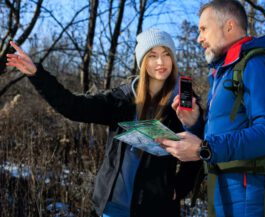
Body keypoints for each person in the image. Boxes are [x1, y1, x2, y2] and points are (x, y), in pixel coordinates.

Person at [6, 29, 204, 217]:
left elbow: (199, 152)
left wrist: (179, 187)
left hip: (154, 209)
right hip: (110, 206)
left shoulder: (184, 103)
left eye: (166, 54)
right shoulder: (123, 98)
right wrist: (37, 74)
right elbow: (73, 106)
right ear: (142, 61)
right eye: (152, 55)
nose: (161, 61)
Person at [157, 0, 265, 216]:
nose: (199, 38)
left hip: (254, 198)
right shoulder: (223, 72)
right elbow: (224, 134)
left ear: (229, 26)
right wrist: (194, 123)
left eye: (203, 29)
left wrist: (205, 149)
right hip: (225, 192)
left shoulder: (258, 64)